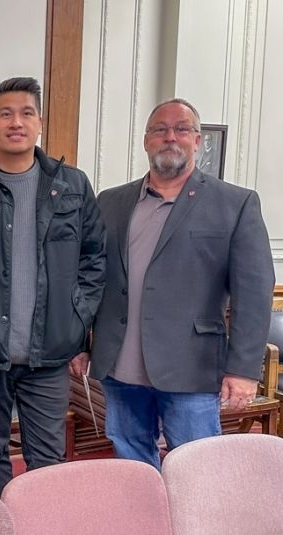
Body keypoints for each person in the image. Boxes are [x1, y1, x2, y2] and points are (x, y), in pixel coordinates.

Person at [0, 77, 106, 497]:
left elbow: (94, 257)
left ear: (40, 122)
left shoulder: (73, 186)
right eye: (5, 114)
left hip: (49, 355)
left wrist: (77, 318)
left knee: (47, 459)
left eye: (26, 113)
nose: (16, 122)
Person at [86, 98, 273, 469]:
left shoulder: (235, 204)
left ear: (197, 140)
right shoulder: (111, 202)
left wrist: (243, 370)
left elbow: (254, 292)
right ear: (146, 141)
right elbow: (89, 278)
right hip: (120, 365)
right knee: (132, 467)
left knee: (197, 470)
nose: (170, 137)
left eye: (181, 129)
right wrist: (80, 344)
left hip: (192, 367)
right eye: (160, 129)